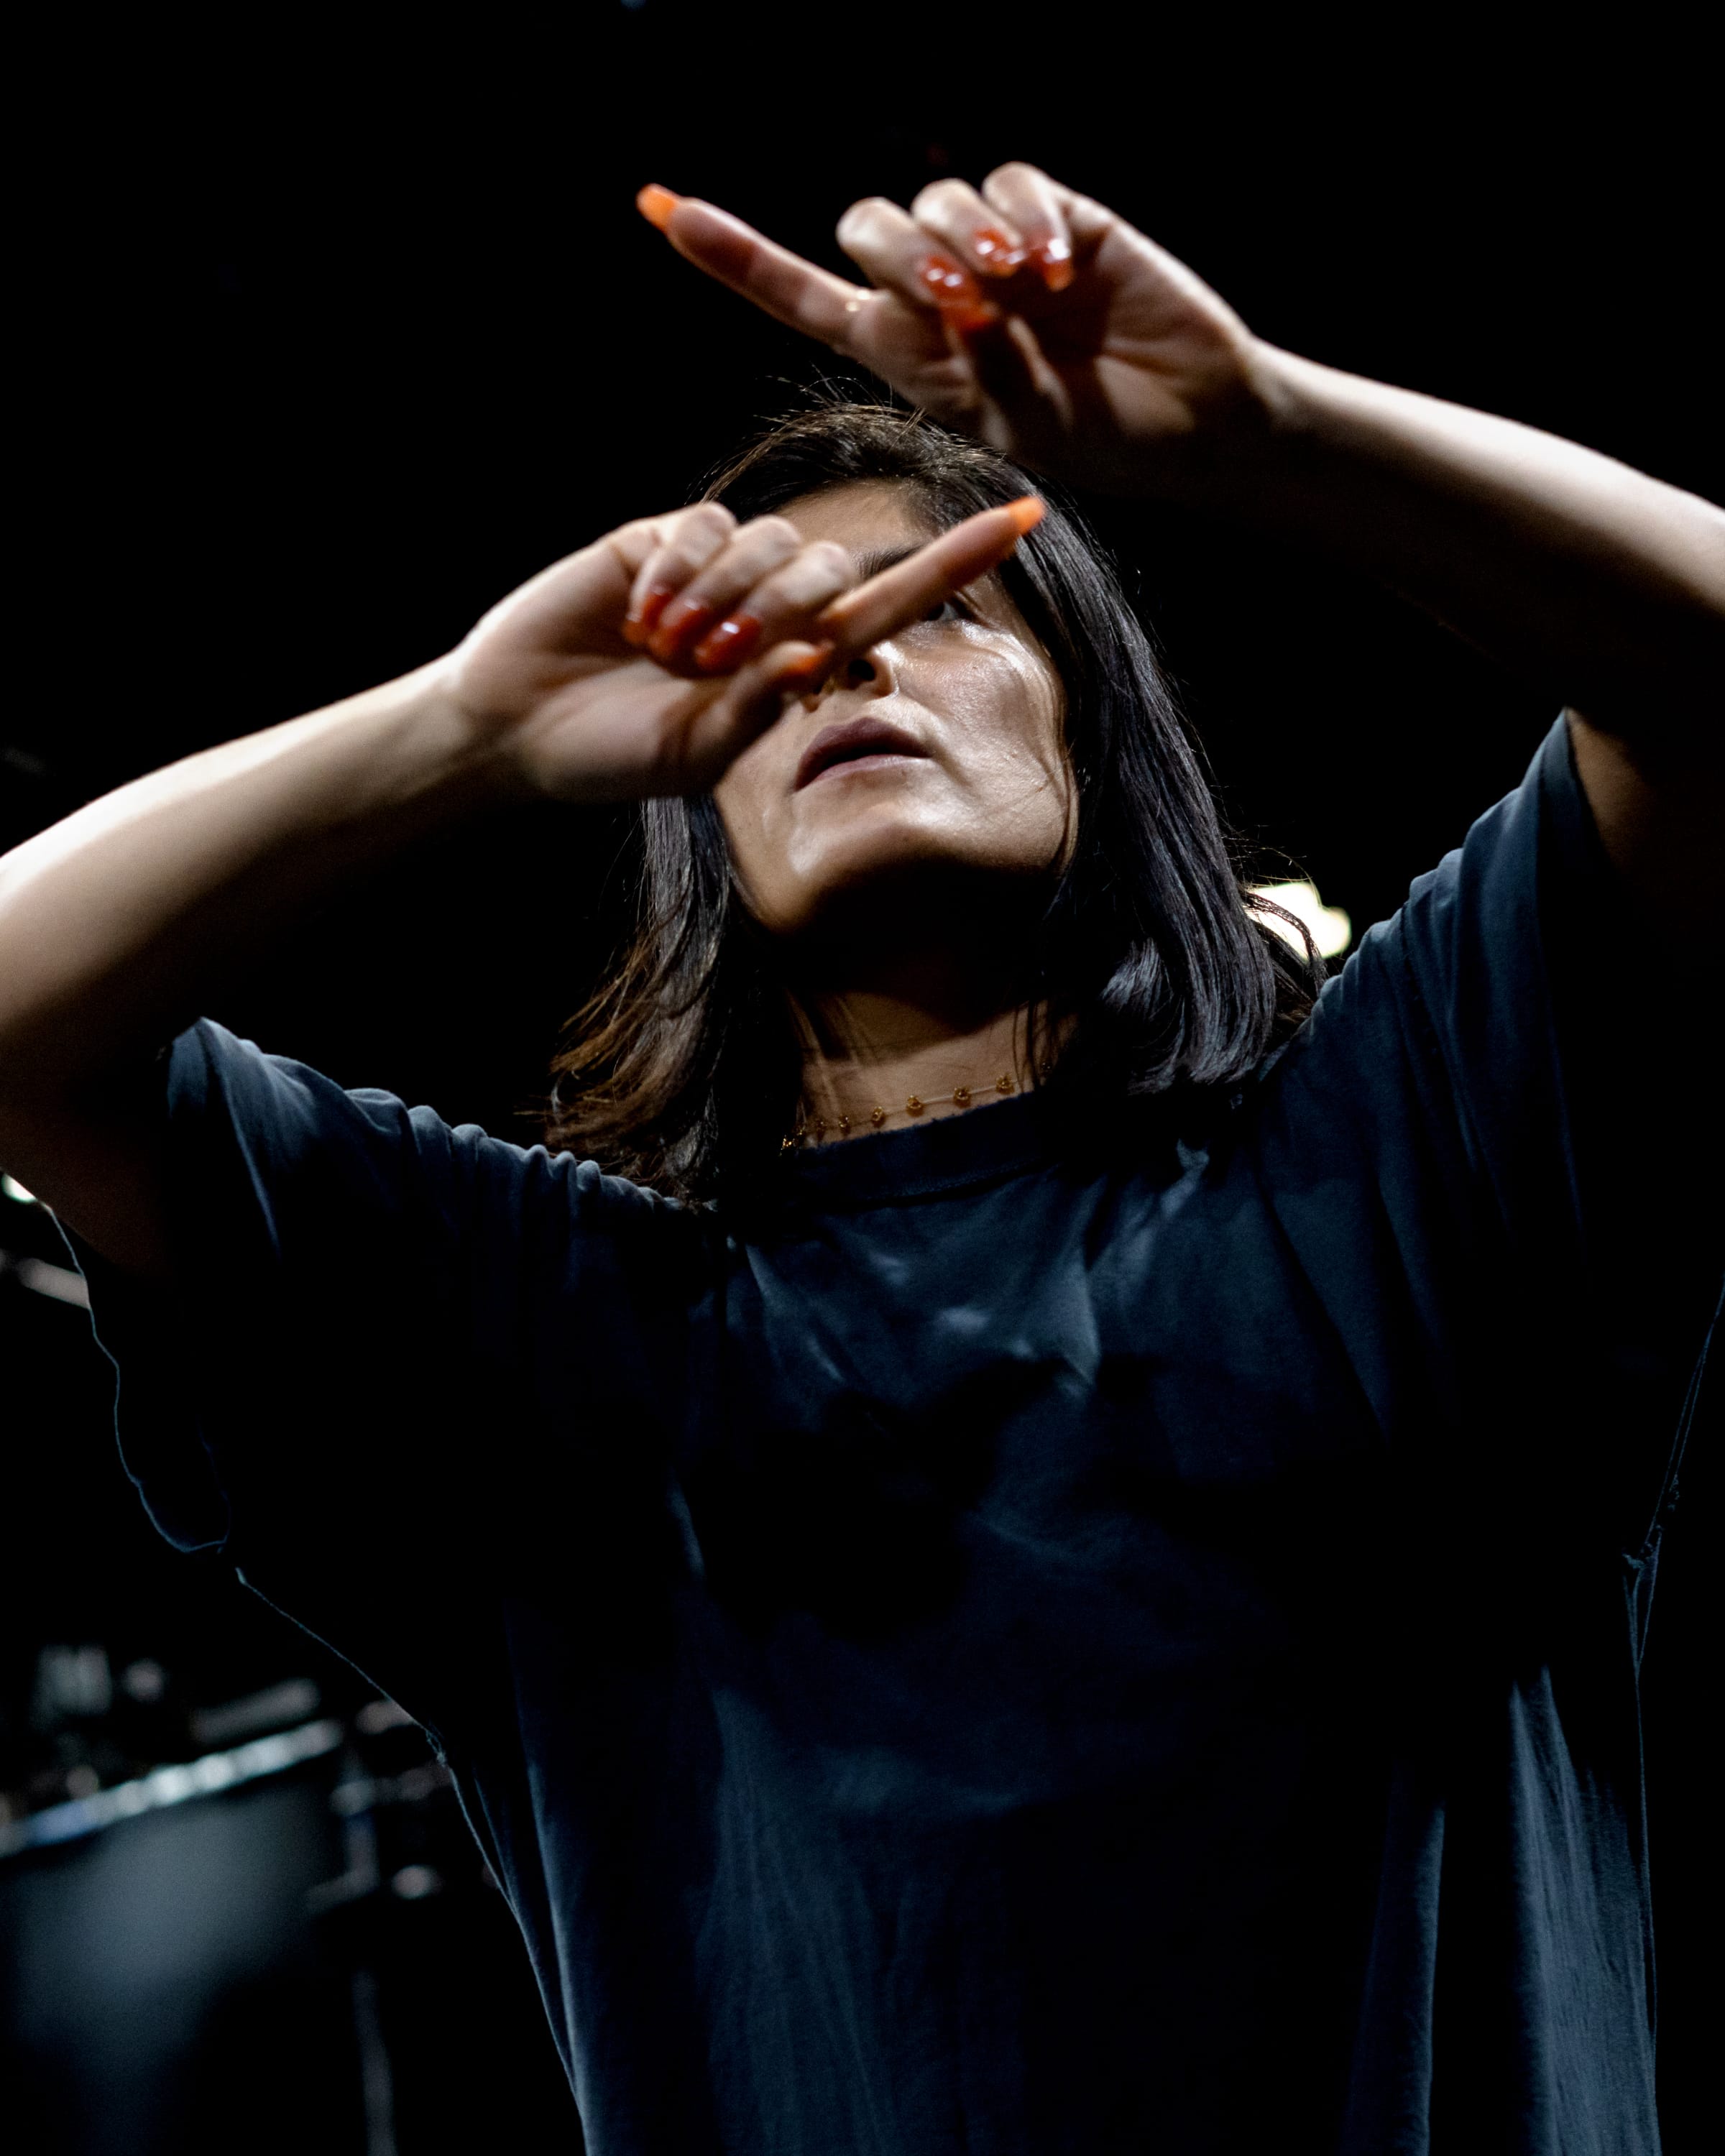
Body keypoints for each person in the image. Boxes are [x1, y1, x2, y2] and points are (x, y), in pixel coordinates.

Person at [0, 159, 1719, 2155]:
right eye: (762, 648)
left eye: (946, 605)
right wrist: (462, 727)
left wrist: (1274, 430)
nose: (844, 658)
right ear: (690, 818)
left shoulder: (1416, 1141)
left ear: (1099, 738)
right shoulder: (549, 1339)